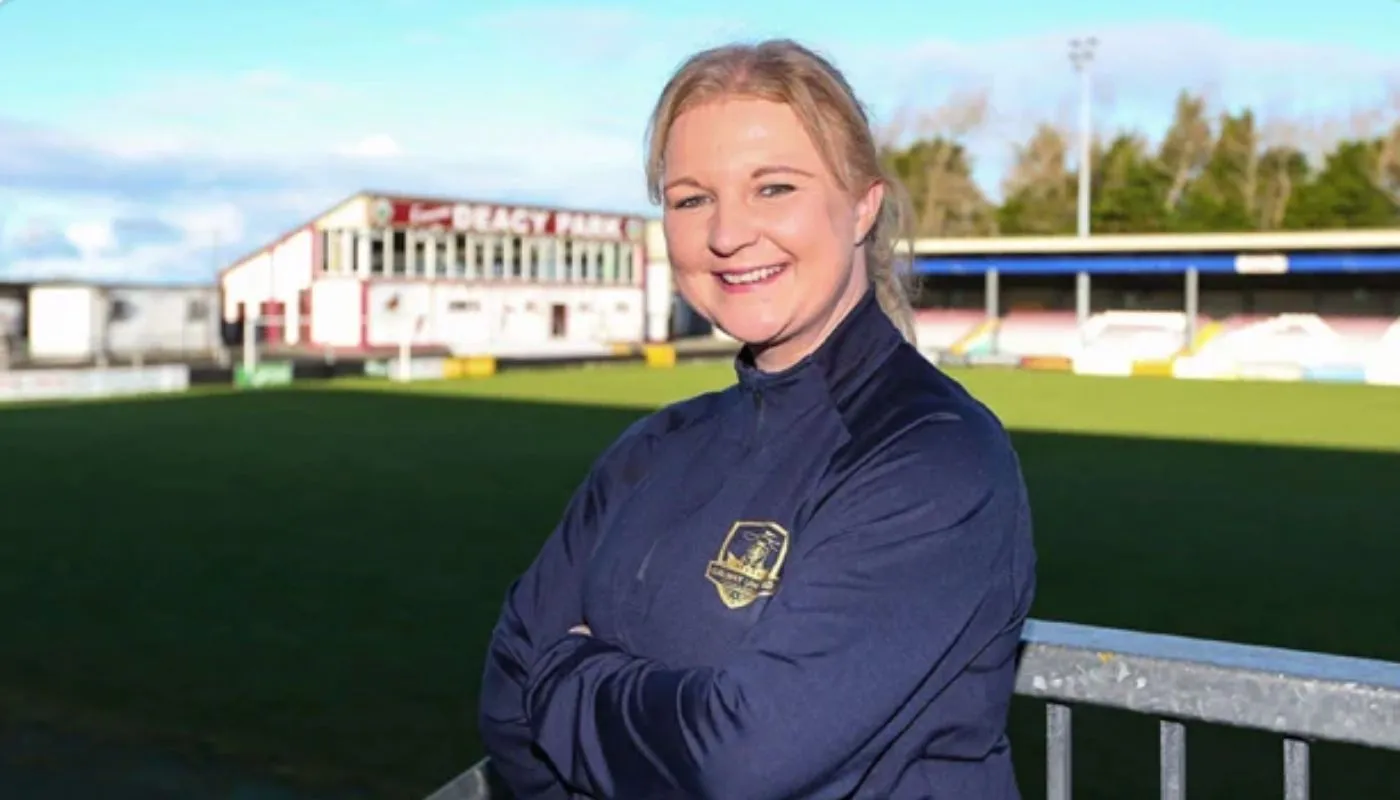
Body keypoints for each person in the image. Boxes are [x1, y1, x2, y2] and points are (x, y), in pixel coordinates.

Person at [478, 38, 1036, 800]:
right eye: (691, 198)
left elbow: (744, 757)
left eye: (773, 188)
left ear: (862, 207)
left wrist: (568, 676)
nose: (727, 234)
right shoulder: (652, 448)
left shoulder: (934, 457)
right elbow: (506, 699)